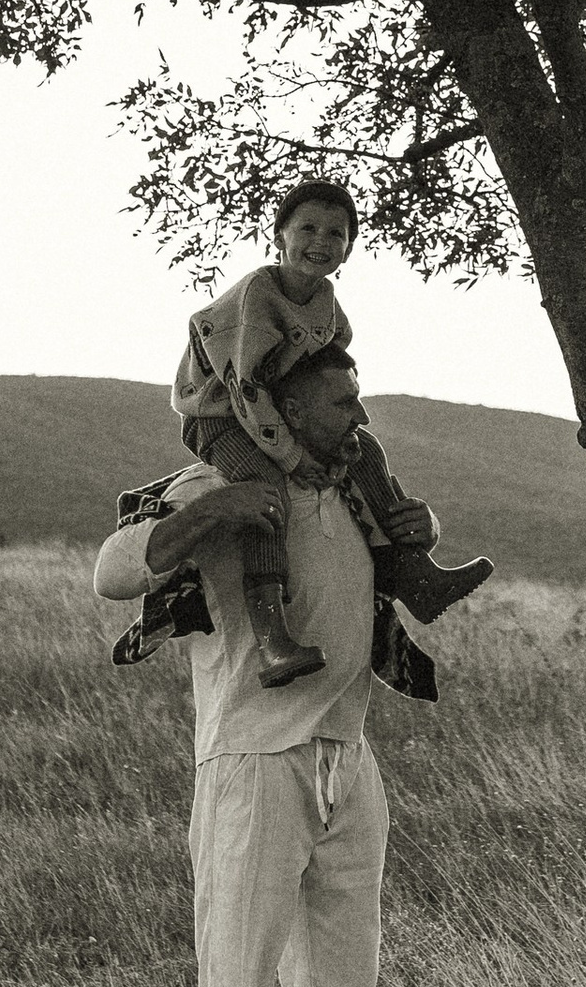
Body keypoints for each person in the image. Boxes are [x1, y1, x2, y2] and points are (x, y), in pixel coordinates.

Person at [96, 341, 414, 987]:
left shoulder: (348, 492)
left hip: (350, 761)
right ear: (287, 411)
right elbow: (114, 572)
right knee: (237, 982)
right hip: (254, 764)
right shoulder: (214, 484)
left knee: (342, 982)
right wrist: (216, 511)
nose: (360, 415)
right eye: (343, 400)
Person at [171, 176, 490, 686]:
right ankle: (272, 637)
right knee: (264, 489)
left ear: (349, 247)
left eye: (336, 234)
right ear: (278, 235)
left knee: (363, 450)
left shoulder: (326, 303)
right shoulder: (256, 296)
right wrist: (295, 457)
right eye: (308, 228)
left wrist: (333, 432)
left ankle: (414, 574)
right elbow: (245, 389)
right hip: (220, 415)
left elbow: (328, 370)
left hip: (279, 408)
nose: (321, 242)